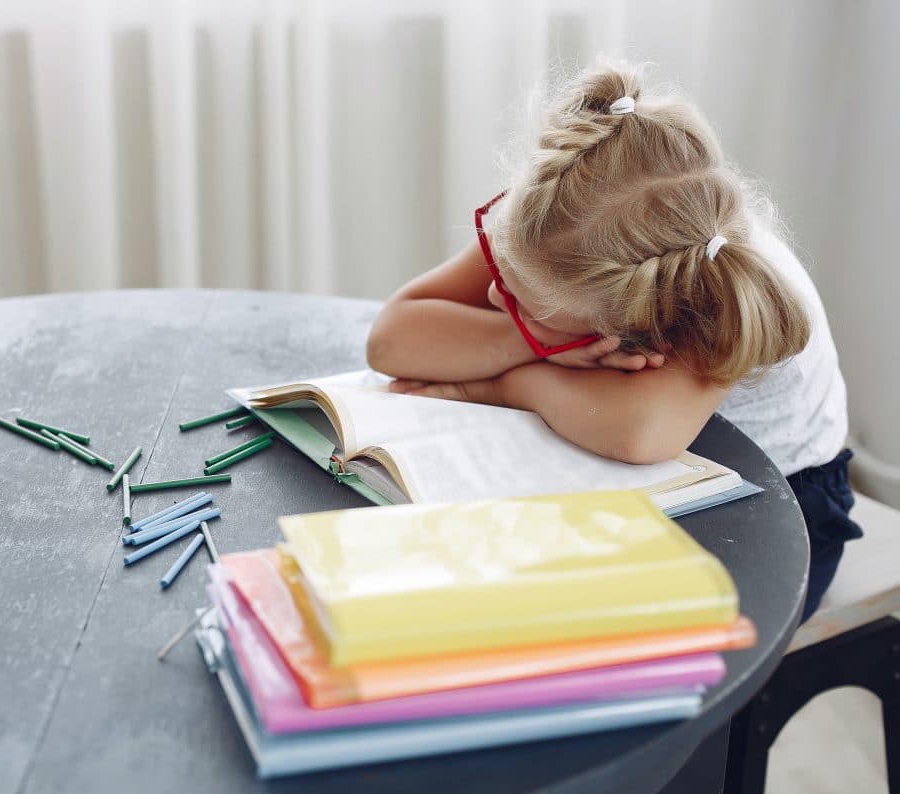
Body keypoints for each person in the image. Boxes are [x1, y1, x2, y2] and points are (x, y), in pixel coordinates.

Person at [366, 58, 862, 622]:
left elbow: (640, 433)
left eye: (527, 310)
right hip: (630, 473)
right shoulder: (559, 220)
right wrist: (534, 340)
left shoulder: (703, 283)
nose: (497, 300)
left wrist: (499, 383)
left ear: (629, 320)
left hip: (775, 514)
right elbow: (392, 339)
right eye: (503, 280)